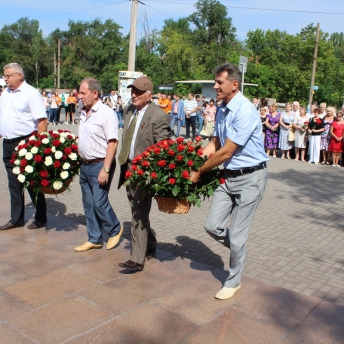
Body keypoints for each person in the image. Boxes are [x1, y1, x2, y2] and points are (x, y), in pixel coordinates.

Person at [190, 63, 268, 300]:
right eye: (215, 82)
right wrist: (191, 161)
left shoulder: (245, 110)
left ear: (234, 84)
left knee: (237, 235)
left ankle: (233, 281)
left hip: (251, 178)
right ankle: (238, 248)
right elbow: (215, 144)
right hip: (228, 177)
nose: (215, 86)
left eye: (219, 83)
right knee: (212, 226)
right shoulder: (223, 108)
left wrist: (199, 172)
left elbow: (226, 152)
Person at [118, 76, 170, 271]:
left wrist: (152, 170)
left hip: (145, 172)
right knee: (136, 209)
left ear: (149, 95)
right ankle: (149, 242)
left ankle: (137, 259)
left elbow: (164, 146)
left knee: (139, 213)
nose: (134, 95)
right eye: (133, 91)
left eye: (139, 92)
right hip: (128, 168)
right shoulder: (128, 110)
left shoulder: (158, 115)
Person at [74, 78, 122, 252]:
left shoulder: (106, 113)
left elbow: (113, 143)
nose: (80, 96)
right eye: (79, 93)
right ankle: (94, 238)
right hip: (85, 165)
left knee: (99, 202)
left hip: (100, 164)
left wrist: (106, 169)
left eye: (83, 93)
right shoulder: (83, 111)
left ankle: (115, 228)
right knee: (88, 203)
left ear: (95, 93)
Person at [0, 62, 48, 230]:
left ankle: (41, 217)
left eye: (8, 75)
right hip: (7, 142)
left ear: (19, 75)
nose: (5, 78)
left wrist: (38, 146)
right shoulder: (5, 93)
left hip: (25, 142)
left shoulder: (30, 93)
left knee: (32, 182)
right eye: (4, 75)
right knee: (13, 183)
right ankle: (16, 218)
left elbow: (42, 121)